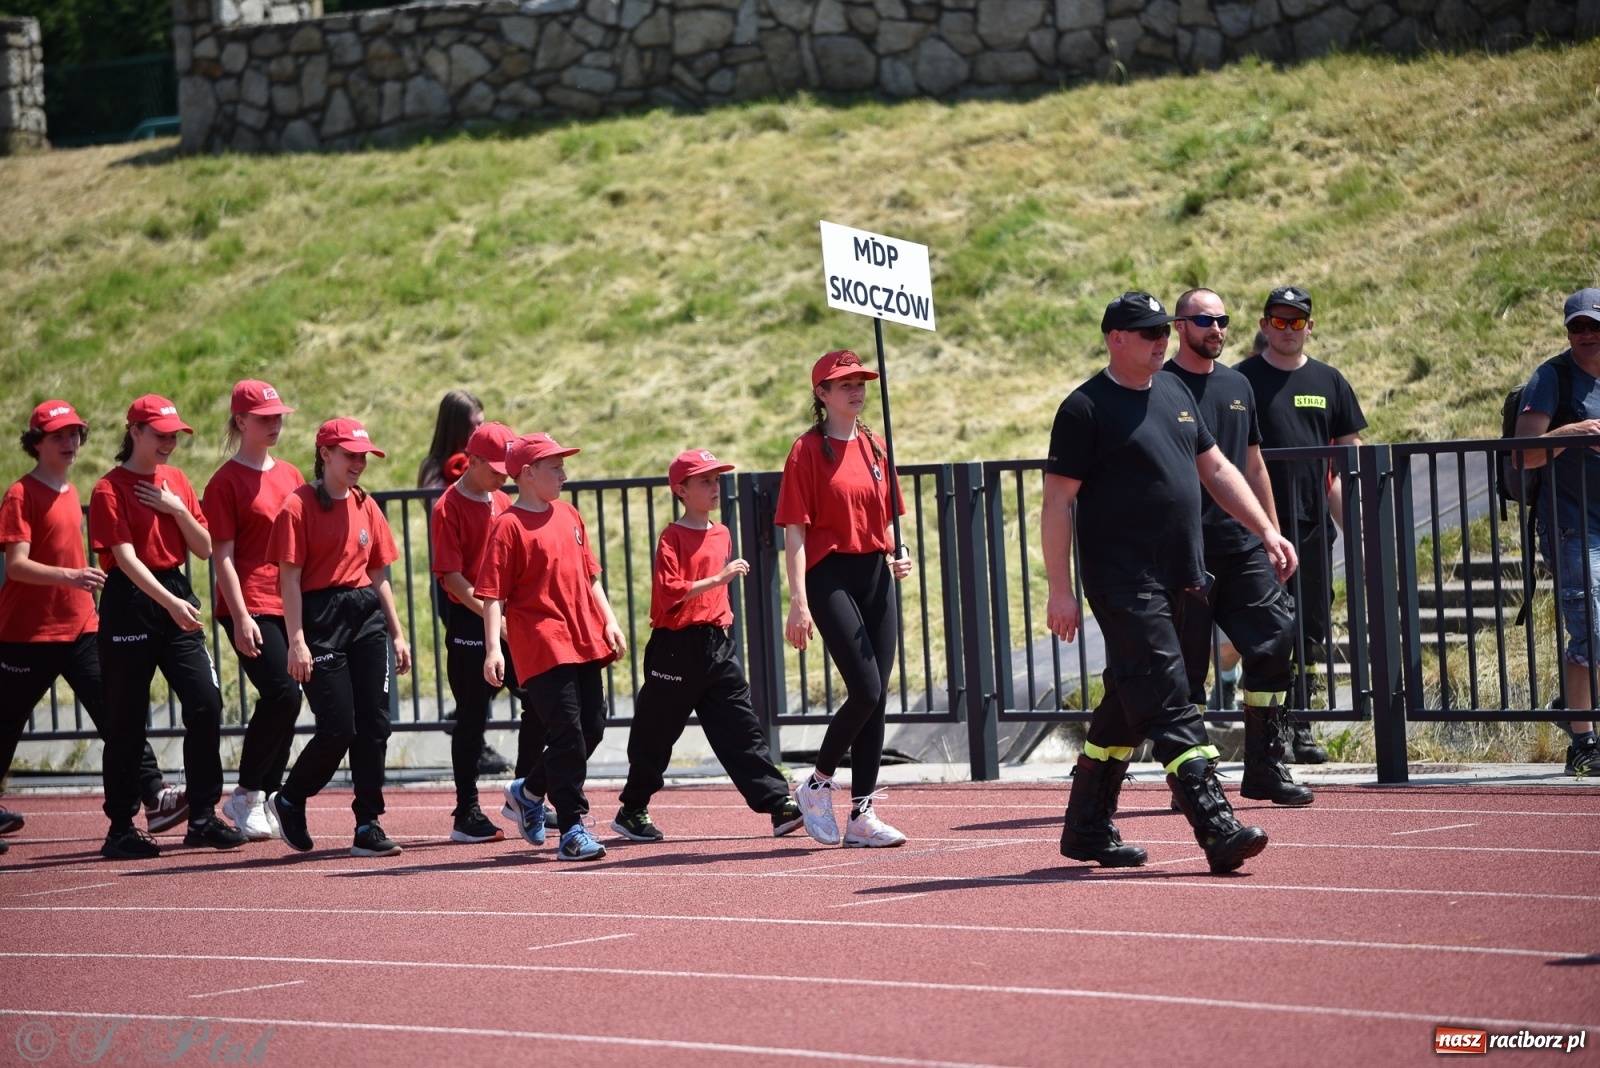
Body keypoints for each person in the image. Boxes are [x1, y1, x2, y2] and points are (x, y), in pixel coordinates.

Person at [1043, 292, 1295, 873]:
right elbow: (1057, 503)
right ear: (1116, 338)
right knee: (1170, 693)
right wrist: (1062, 590)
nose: (1161, 340)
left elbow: (1217, 469)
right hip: (1124, 581)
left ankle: (1085, 827)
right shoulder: (1084, 408)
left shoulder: (1176, 391)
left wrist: (1265, 530)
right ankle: (1215, 822)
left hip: (1184, 575)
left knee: (1129, 700)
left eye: (1164, 330)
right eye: (1148, 331)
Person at [1, 402, 187, 856]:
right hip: (27, 634)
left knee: (118, 716)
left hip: (83, 627)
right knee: (5, 726)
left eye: (74, 435)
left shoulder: (69, 490)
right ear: (36, 443)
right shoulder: (21, 495)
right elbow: (17, 566)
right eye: (57, 437)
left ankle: (154, 794)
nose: (69, 444)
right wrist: (71, 575)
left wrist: (78, 588)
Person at [1167, 289, 1311, 806]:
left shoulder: (1238, 384)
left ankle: (1264, 768)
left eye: (1222, 320)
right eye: (1205, 320)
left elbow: (1251, 465)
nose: (1216, 329)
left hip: (1242, 545)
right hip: (1184, 552)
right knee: (1186, 671)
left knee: (1275, 637)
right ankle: (1194, 779)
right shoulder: (1160, 386)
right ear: (1180, 326)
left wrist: (1271, 531)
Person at [612, 450, 803, 842]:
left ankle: (777, 805)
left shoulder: (722, 533)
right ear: (681, 490)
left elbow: (714, 593)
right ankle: (632, 809)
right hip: (675, 648)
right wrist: (719, 579)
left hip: (717, 644)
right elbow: (669, 593)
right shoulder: (672, 536)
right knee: (656, 732)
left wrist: (719, 591)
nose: (715, 487)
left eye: (716, 480)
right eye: (705, 481)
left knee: (742, 725)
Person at [90, 395, 243, 859]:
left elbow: (203, 547)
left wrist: (177, 507)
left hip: (174, 592)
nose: (169, 443)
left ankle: (200, 817)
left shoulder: (176, 480)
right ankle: (120, 827)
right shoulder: (108, 489)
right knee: (126, 721)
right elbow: (126, 560)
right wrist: (171, 601)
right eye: (160, 434)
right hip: (131, 601)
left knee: (204, 700)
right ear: (134, 431)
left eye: (174, 435)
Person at [776, 350, 914, 849]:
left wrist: (900, 553)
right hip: (828, 574)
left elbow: (889, 520)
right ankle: (816, 783)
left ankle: (862, 813)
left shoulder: (876, 444)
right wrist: (798, 601)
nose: (855, 390)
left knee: (876, 701)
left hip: (874, 570)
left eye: (860, 381)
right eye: (843, 383)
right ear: (822, 394)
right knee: (867, 689)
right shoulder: (806, 451)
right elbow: (794, 532)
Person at [264, 419, 412, 857]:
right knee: (339, 728)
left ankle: (368, 823)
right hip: (320, 618)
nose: (359, 463)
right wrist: (296, 640)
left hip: (364, 615)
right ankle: (290, 798)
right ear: (325, 454)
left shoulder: (367, 505)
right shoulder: (297, 506)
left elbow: (379, 574)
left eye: (363, 455)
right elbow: (288, 581)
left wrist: (398, 633)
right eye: (350, 454)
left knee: (375, 725)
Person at [481, 433, 627, 862]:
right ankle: (573, 828)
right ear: (527, 474)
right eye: (555, 467)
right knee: (567, 732)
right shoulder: (508, 526)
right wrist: (493, 648)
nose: (564, 474)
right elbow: (492, 594)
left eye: (563, 466)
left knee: (592, 728)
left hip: (583, 638)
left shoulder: (569, 515)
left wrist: (610, 620)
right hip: (541, 643)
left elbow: (590, 577)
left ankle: (527, 792)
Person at [1236, 286, 1367, 763]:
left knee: (1310, 630)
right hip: (1253, 529)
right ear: (1265, 324)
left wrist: (1358, 529)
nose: (1288, 329)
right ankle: (1268, 735)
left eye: (1297, 321)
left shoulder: (1330, 380)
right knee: (1268, 633)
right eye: (1279, 320)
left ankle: (1303, 727)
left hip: (1311, 529)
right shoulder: (1240, 381)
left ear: (1311, 326)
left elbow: (1345, 460)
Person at [430, 420, 546, 843]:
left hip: (508, 619)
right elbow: (452, 576)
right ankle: (466, 812)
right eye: (496, 467)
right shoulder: (448, 506)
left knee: (538, 700)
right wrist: (489, 617)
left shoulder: (501, 499)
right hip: (471, 619)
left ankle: (526, 795)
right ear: (472, 460)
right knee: (472, 716)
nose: (504, 475)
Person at [204, 381, 305, 840]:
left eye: (278, 416)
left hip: (288, 602)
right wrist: (240, 616)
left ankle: (263, 794)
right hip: (248, 603)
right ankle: (246, 793)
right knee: (283, 693)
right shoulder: (224, 482)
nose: (275, 424)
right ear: (240, 421)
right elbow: (220, 555)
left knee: (292, 697)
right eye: (264, 418)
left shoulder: (291, 474)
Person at [1511, 287, 1600, 776]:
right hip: (1572, 524)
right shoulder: (1551, 377)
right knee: (1592, 626)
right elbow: (1523, 454)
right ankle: (1583, 740)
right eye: (1577, 327)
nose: (1586, 335)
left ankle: (1573, 707)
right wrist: (1575, 433)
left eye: (1595, 326)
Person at [418, 390, 512, 777]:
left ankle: (530, 788)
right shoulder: (437, 470)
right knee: (476, 676)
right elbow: (437, 508)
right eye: (473, 423)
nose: (479, 426)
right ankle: (473, 739)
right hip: (460, 589)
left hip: (497, 594)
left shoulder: (498, 492)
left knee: (505, 675)